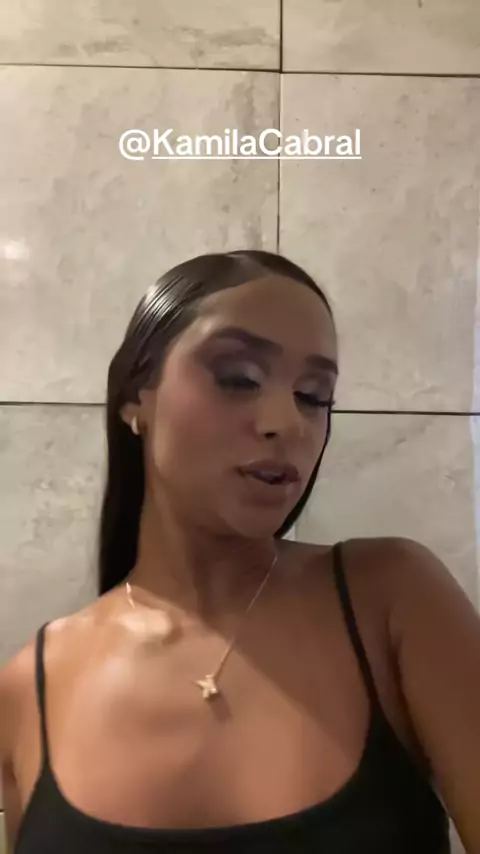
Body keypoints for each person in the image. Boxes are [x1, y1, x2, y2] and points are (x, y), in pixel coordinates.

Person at [1, 250, 479, 854]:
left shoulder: (392, 601)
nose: (288, 422)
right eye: (238, 378)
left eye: (314, 396)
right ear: (136, 398)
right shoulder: (30, 688)